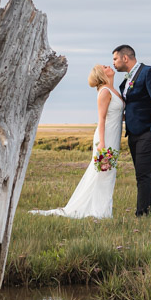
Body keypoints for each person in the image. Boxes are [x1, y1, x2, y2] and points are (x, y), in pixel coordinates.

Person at [29, 64, 124, 219]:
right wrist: (102, 143)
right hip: (105, 137)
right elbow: (101, 119)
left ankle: (102, 209)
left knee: (108, 173)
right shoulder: (104, 92)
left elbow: (117, 114)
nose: (109, 66)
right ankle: (100, 212)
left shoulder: (114, 91)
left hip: (113, 136)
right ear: (101, 74)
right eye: (105, 67)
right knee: (103, 173)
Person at [111, 45, 151, 217]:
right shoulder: (126, 81)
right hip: (134, 134)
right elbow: (135, 105)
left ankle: (141, 214)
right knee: (145, 173)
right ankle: (147, 211)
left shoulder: (149, 72)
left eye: (115, 59)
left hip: (149, 133)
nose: (113, 63)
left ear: (125, 58)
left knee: (142, 174)